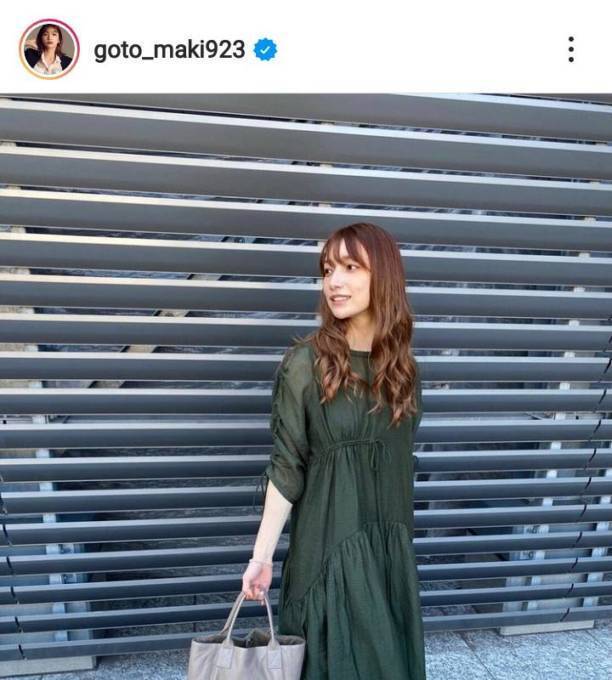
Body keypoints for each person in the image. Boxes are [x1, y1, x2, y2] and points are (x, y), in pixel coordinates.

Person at [242, 222, 426, 679]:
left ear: (383, 275)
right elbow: (287, 467)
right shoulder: (306, 364)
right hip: (328, 558)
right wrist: (261, 557)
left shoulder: (403, 371)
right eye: (327, 270)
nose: (334, 282)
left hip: (387, 559)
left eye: (350, 267)